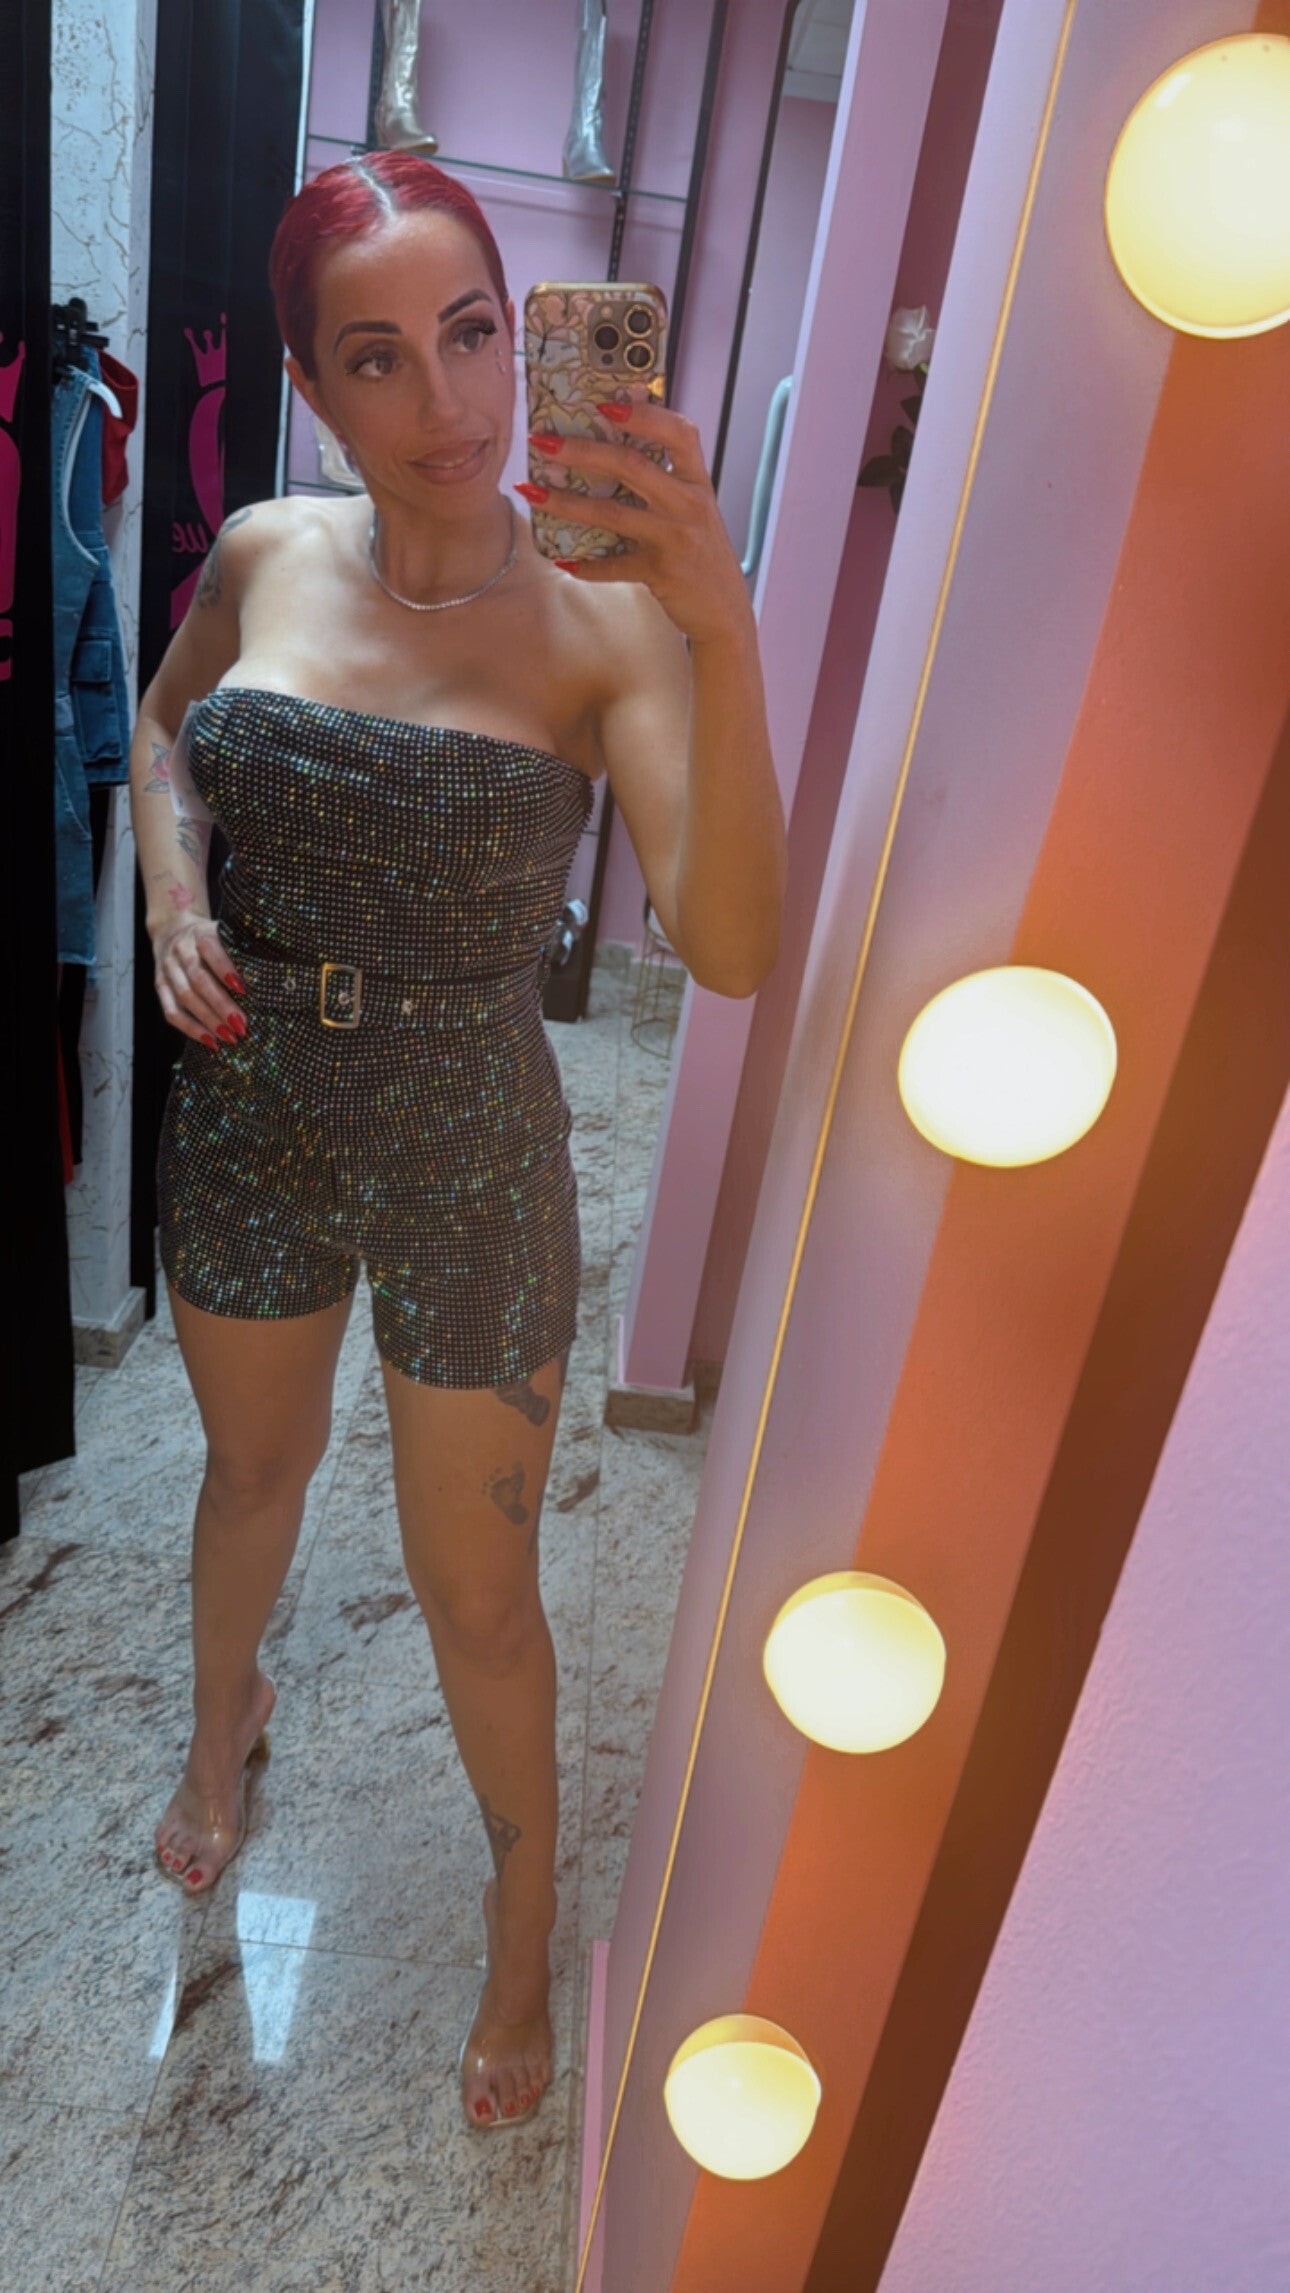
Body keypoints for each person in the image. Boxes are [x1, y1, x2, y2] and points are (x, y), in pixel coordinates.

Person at [130, 149, 785, 2136]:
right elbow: (160, 733)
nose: (452, 402)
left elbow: (731, 948)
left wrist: (722, 628)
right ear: (313, 387)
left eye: (477, 333)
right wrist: (170, 887)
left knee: (476, 1592)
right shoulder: (261, 551)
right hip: (252, 1106)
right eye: (380, 358)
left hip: (471, 1148)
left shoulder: (606, 623)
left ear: (527, 332)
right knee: (249, 1474)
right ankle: (221, 1734)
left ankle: (522, 1927)